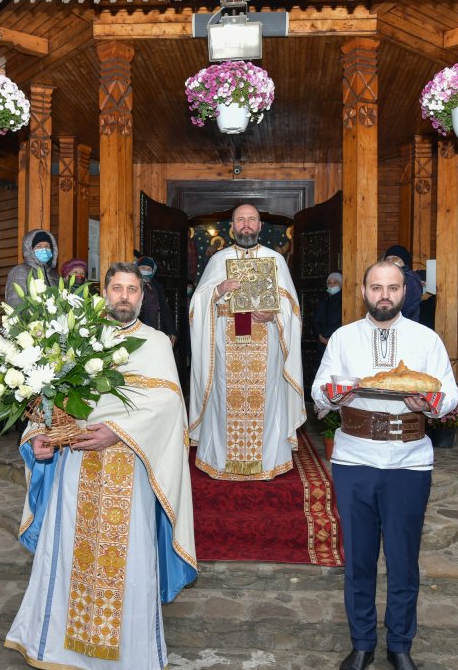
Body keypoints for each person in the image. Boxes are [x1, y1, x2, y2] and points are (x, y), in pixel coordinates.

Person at [5, 262, 197, 670]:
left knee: (124, 564)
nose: (124, 296)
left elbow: (168, 406)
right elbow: (48, 395)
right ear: (103, 293)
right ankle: (57, 652)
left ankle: (127, 663)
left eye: (132, 290)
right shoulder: (76, 337)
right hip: (74, 466)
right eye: (117, 288)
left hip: (128, 468)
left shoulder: (155, 344)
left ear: (142, 298)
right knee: (66, 556)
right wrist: (39, 437)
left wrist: (117, 431)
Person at [312, 259, 458, 670]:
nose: (384, 296)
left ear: (405, 292)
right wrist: (336, 393)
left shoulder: (426, 339)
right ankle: (361, 644)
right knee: (357, 560)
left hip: (409, 462)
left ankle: (400, 646)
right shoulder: (343, 338)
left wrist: (429, 403)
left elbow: (448, 394)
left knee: (402, 560)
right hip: (355, 459)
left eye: (392, 288)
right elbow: (320, 389)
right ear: (363, 290)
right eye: (376, 287)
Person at [189, 203, 305, 480]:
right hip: (225, 347)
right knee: (223, 398)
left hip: (266, 346)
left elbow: (293, 308)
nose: (246, 225)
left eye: (251, 219)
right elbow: (196, 306)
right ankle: (221, 461)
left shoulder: (275, 260)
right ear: (232, 225)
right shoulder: (219, 260)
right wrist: (218, 290)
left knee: (267, 400)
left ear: (260, 225)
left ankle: (267, 462)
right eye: (240, 220)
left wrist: (274, 313)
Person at [5, 229, 59, 308]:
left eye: (47, 246)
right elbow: (15, 303)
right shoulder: (20, 271)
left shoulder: (55, 275)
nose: (44, 249)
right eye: (39, 246)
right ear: (30, 250)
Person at [137, 256, 178, 347]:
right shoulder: (132, 285)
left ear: (153, 271)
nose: (146, 271)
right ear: (137, 268)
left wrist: (171, 331)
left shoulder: (157, 286)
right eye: (143, 268)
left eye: (149, 269)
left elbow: (165, 310)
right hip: (139, 332)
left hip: (158, 329)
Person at [384, 245, 422, 322]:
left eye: (395, 259)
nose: (391, 262)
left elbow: (407, 309)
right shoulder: (387, 277)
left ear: (404, 262)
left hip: (407, 325)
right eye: (388, 259)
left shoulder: (411, 279)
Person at [312, 272, 343, 365]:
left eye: (335, 282)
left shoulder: (344, 300)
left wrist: (331, 337)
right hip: (322, 343)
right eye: (329, 283)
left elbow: (342, 321)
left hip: (337, 341)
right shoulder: (324, 299)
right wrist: (320, 335)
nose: (332, 285)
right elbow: (316, 320)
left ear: (341, 284)